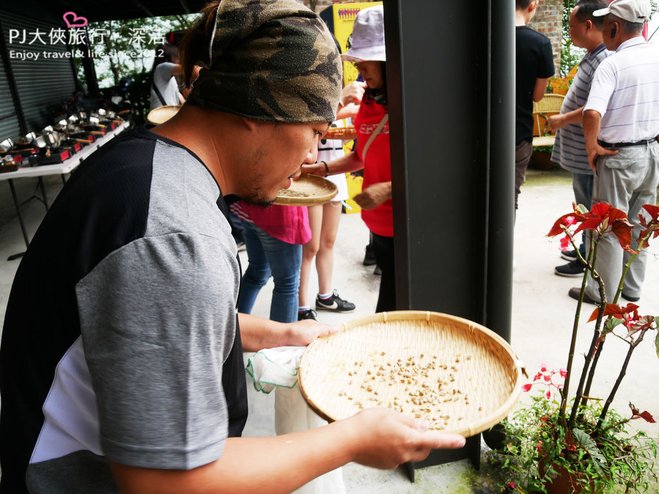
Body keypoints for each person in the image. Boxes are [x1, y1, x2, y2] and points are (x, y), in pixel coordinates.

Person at [0, 1, 466, 492]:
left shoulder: (143, 162)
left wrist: (281, 334)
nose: (311, 156)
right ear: (258, 108)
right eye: (314, 131)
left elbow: (142, 321)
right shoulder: (178, 238)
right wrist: (349, 441)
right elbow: (166, 482)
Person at [303, 5, 395, 313]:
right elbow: (360, 156)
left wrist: (389, 189)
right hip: (378, 222)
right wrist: (324, 168)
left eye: (365, 61)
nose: (359, 68)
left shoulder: (414, 104)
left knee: (395, 305)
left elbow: (437, 168)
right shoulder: (369, 100)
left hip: (407, 224)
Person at [568, 0, 659, 304]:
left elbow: (592, 113)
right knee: (641, 224)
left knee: (608, 228)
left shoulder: (613, 63)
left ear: (615, 27)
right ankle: (631, 288)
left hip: (618, 157)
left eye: (606, 24)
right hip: (650, 153)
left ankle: (602, 293)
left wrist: (592, 147)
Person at [549, 0, 609, 277]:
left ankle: (586, 257)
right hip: (578, 153)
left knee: (588, 204)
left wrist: (561, 119)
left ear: (588, 26)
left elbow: (592, 107)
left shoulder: (604, 59)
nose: (569, 32)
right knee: (582, 202)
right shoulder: (593, 53)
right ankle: (583, 247)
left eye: (572, 27)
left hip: (588, 154)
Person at [297, 84, 363, 321]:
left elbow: (345, 137)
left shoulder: (347, 104)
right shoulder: (316, 102)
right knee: (310, 246)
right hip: (312, 178)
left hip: (335, 175)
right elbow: (312, 129)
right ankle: (302, 306)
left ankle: (325, 296)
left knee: (328, 241)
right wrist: (342, 106)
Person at [232, 201, 310, 323]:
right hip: (278, 216)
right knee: (286, 284)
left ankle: (233, 330)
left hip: (249, 209)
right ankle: (282, 341)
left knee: (257, 273)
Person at [515, 0, 555, 211]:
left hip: (479, 133)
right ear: (533, 5)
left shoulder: (483, 37)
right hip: (518, 132)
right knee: (509, 197)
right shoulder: (540, 43)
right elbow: (538, 96)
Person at [149, 42, 185, 109]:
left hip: (166, 116)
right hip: (162, 116)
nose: (179, 61)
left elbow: (183, 103)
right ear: (169, 57)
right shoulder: (162, 68)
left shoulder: (171, 79)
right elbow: (191, 69)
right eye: (177, 57)